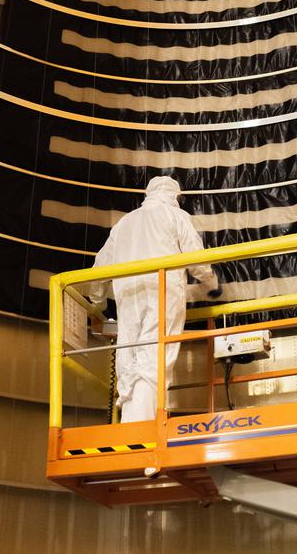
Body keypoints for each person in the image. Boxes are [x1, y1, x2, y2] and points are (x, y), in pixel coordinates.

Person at [92, 176, 221, 422]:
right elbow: (196, 258)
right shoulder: (175, 216)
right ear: (175, 196)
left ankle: (129, 429)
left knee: (129, 357)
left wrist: (96, 303)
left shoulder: (124, 223)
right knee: (153, 359)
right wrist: (212, 283)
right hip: (163, 292)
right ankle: (141, 434)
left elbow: (99, 266)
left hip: (128, 294)